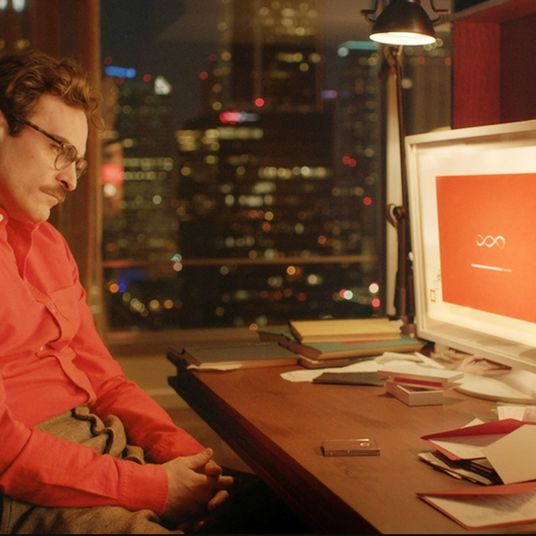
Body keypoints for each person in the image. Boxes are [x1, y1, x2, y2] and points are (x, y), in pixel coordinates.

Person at [0, 49, 307, 534]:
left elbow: (106, 383)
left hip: (102, 446)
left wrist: (191, 460)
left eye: (78, 162)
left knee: (293, 506)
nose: (71, 180)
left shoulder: (50, 245)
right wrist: (155, 487)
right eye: (60, 150)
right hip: (28, 487)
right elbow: (6, 451)